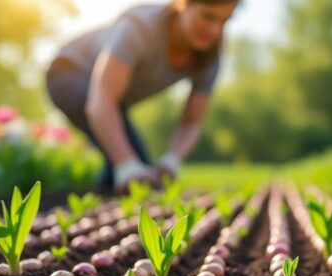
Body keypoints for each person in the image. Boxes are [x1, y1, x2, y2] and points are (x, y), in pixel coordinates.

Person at [46, 0, 238, 191]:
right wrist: (125, 163)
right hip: (69, 74)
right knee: (132, 165)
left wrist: (172, 159)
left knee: (136, 169)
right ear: (182, 4)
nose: (215, 30)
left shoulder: (210, 57)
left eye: (225, 21)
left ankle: (95, 197)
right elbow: (102, 102)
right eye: (208, 17)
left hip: (110, 101)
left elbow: (192, 122)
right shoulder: (139, 26)